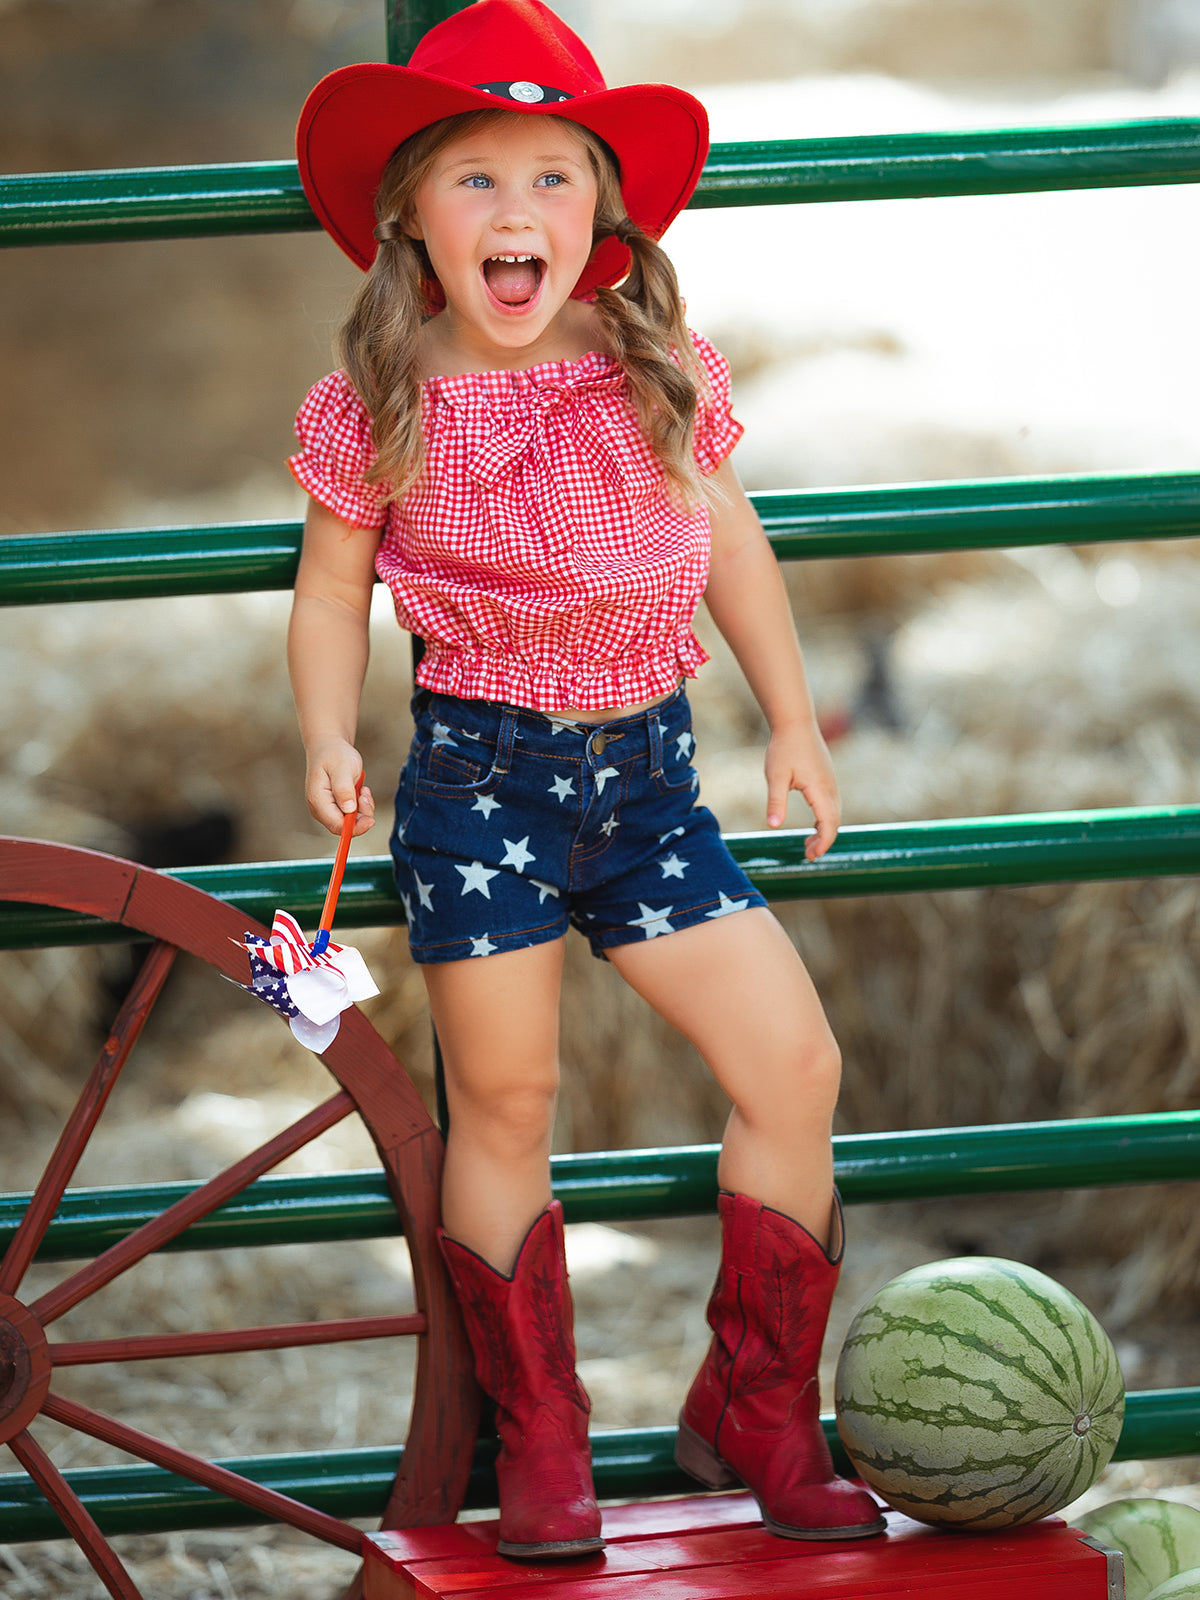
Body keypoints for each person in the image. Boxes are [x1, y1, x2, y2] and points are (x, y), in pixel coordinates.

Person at [287, 0, 885, 1562]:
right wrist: (325, 728)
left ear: (601, 212)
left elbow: (731, 542)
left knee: (794, 1066)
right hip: (482, 791)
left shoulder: (653, 363)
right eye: (477, 177)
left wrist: (794, 720)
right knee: (505, 1100)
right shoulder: (380, 390)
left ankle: (756, 1404)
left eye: (552, 176)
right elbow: (329, 587)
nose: (519, 210)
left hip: (654, 787)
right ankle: (541, 1436)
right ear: (412, 211)